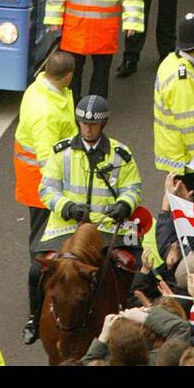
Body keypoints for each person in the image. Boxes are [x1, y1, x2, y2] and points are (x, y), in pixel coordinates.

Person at [24, 94, 142, 344]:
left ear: (103, 124)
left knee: (133, 264)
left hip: (108, 226)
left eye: (93, 124)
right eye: (83, 123)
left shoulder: (121, 154)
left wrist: (124, 205)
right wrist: (67, 208)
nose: (87, 129)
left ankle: (131, 312)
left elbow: (133, 188)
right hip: (67, 228)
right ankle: (34, 319)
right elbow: (47, 189)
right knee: (36, 271)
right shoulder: (61, 151)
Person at [13, 48, 76, 247]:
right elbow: (46, 159)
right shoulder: (46, 114)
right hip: (39, 180)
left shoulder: (39, 88)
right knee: (42, 233)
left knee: (45, 229)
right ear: (68, 76)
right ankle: (38, 266)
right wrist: (59, 188)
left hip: (34, 174)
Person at [153, 12, 194, 172]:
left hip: (176, 152)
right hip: (186, 160)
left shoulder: (170, 61)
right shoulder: (184, 80)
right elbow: (188, 125)